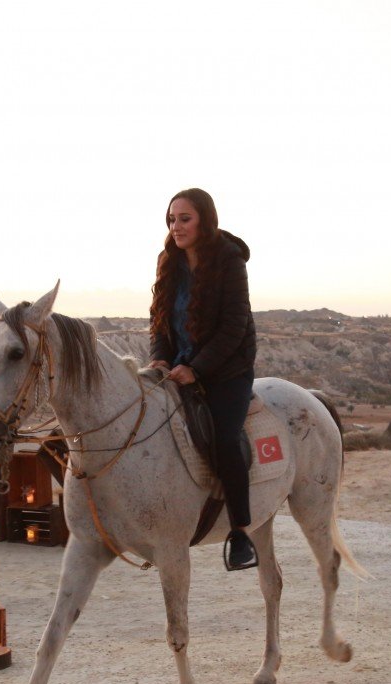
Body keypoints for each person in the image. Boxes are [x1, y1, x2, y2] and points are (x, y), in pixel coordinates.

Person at [148, 188, 258, 571]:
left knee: (225, 438)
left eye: (185, 219)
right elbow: (160, 318)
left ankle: (241, 531)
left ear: (205, 220)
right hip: (177, 364)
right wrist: (160, 357)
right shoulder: (169, 261)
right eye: (171, 219)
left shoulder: (229, 261)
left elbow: (234, 326)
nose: (176, 227)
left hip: (227, 369)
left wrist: (198, 369)